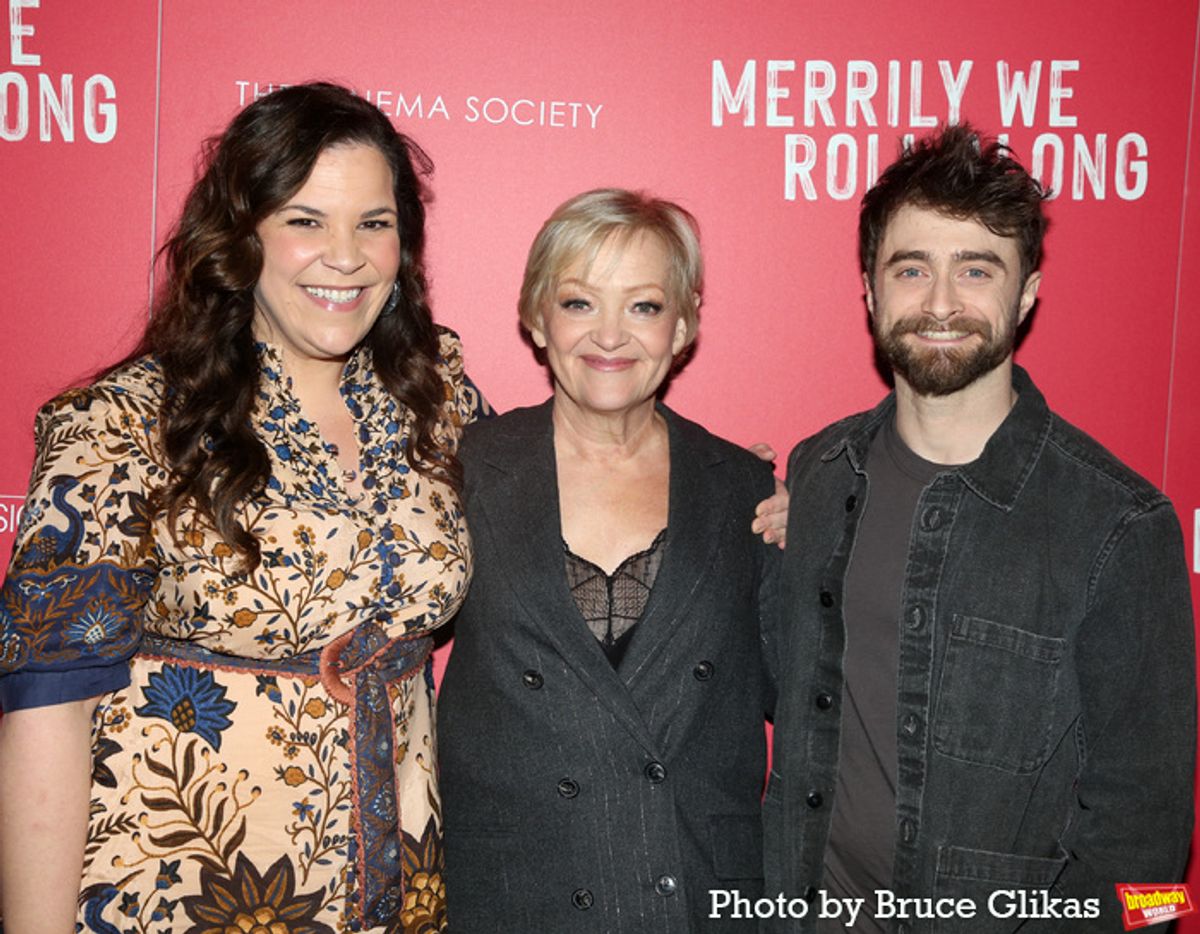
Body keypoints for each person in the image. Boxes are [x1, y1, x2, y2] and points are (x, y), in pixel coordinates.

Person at [0, 83, 486, 934]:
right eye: (305, 219)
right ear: (241, 237)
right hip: (176, 902)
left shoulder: (435, 399)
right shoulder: (124, 424)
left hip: (398, 901)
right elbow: (49, 713)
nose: (346, 256)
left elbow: (565, 501)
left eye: (374, 223)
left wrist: (730, 491)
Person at [760, 124, 1195, 933]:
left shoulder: (1119, 526)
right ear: (868, 288)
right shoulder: (821, 472)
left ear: (1026, 292)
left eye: (976, 269)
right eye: (912, 268)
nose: (940, 303)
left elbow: (1153, 846)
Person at [437, 189, 780, 932]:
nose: (612, 337)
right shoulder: (463, 471)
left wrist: (830, 545)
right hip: (516, 894)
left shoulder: (745, 491)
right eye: (580, 303)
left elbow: (806, 696)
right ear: (535, 316)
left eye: (645, 307)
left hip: (693, 891)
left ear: (683, 324)